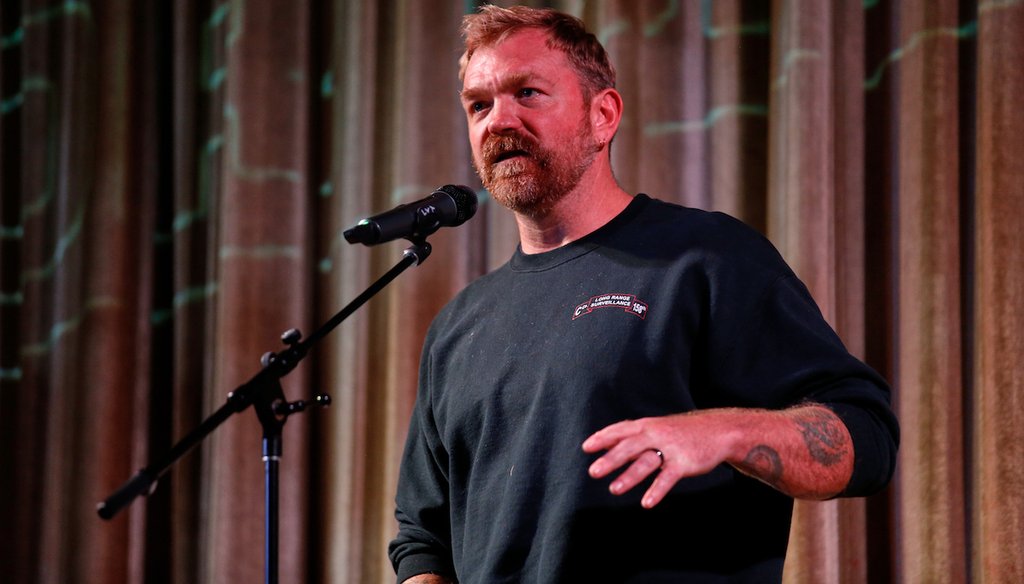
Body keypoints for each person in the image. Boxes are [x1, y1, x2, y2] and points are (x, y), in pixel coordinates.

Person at [388, 5, 899, 583]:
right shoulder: (459, 326)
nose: (499, 120)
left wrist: (722, 432)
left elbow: (865, 437)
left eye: (527, 93)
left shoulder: (706, 258)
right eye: (479, 105)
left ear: (602, 115)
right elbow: (423, 538)